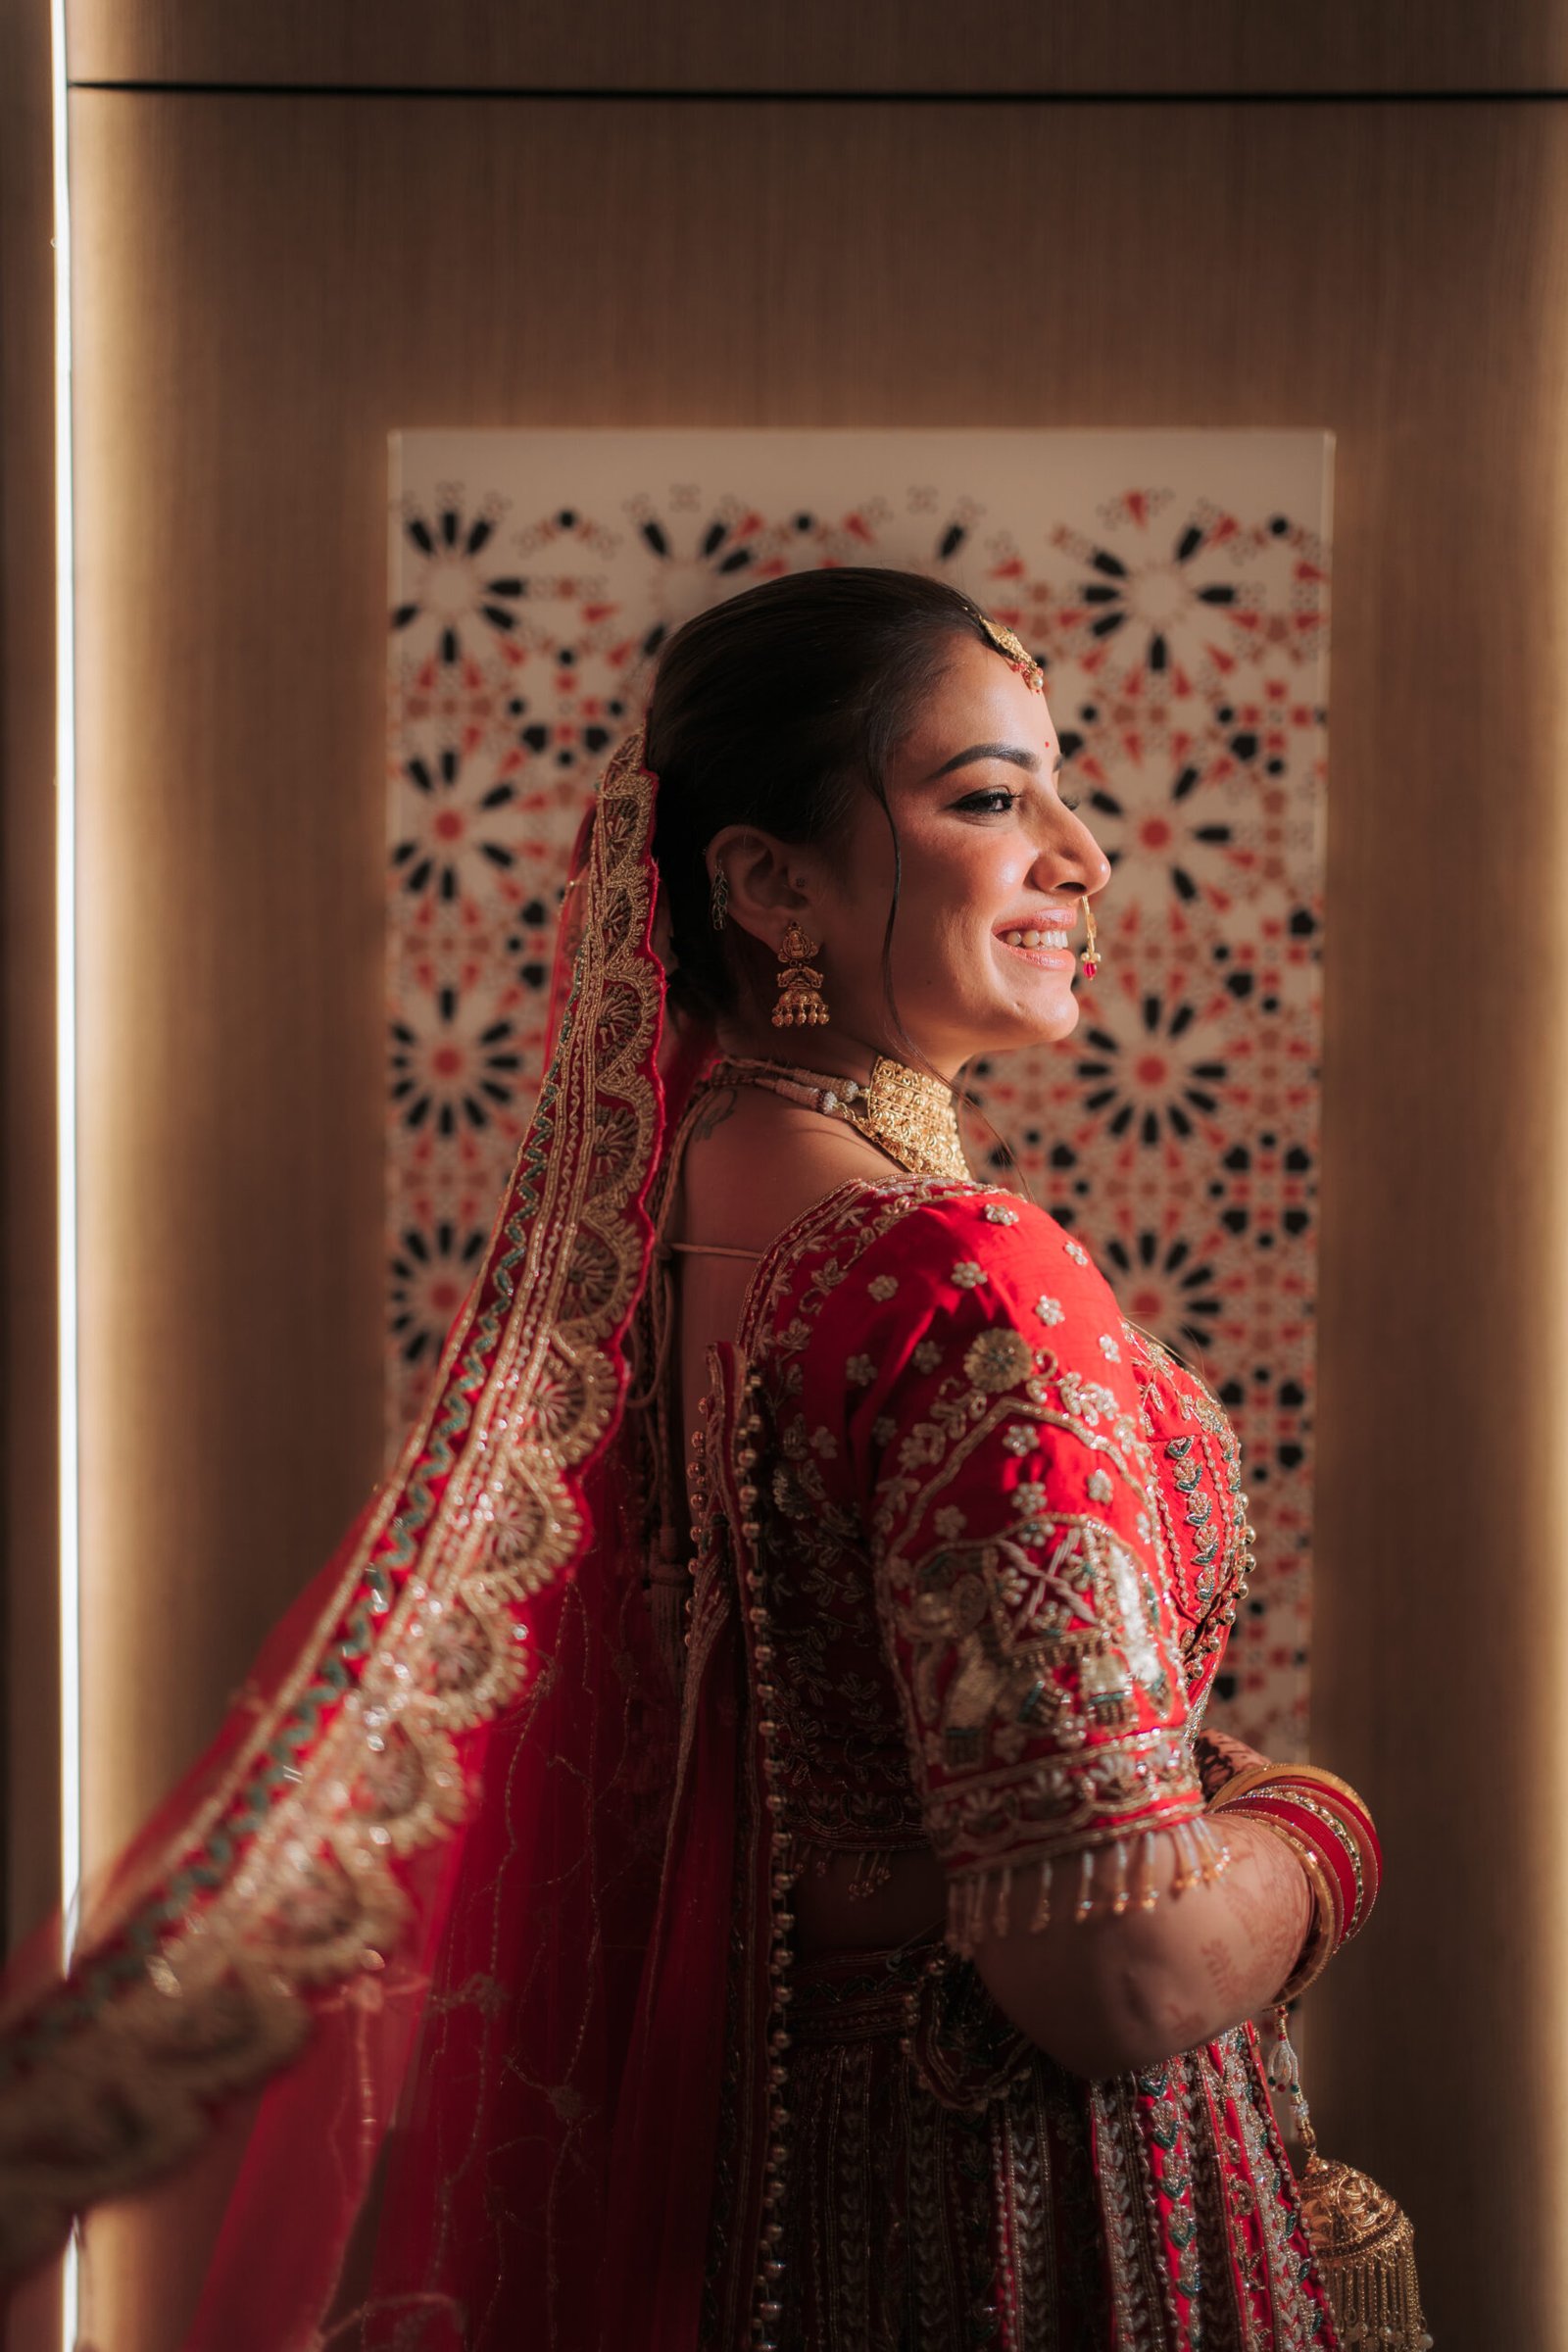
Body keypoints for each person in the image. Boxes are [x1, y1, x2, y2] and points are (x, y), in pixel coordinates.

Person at [0, 568, 1377, 2350]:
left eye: (1058, 786)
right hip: (1016, 2234)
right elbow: (1109, 1974)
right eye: (985, 797)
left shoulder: (644, 1239)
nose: (1081, 854)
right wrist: (1318, 1829)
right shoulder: (955, 1278)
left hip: (748, 2204)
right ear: (766, 883)